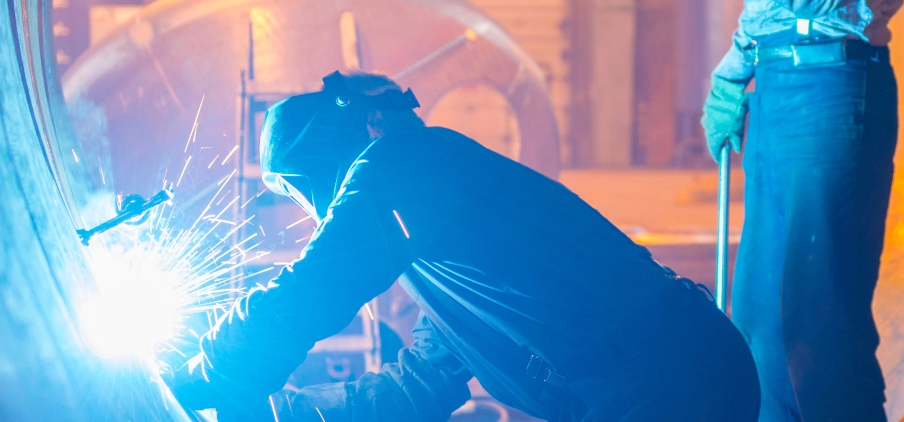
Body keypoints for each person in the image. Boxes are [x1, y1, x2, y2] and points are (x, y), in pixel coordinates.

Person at [164, 72, 758, 421]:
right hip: (667, 383)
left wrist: (204, 372)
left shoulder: (411, 162)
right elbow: (415, 388)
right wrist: (283, 411)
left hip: (672, 382)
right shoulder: (451, 274)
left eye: (301, 191)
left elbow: (318, 285)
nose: (311, 211)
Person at [652, 0, 904, 421]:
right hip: (778, 87)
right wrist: (734, 73)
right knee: (759, 321)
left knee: (819, 324)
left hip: (833, 90)